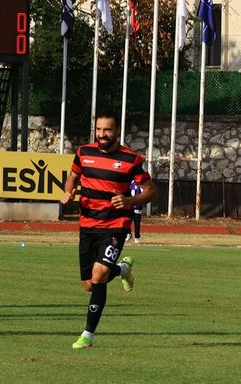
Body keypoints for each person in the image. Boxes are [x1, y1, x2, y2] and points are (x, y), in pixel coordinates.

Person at [60, 111, 156, 349]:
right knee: (89, 284)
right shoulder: (84, 152)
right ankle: (122, 268)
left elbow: (151, 191)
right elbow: (72, 177)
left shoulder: (131, 159)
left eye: (108, 130)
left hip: (115, 224)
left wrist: (128, 201)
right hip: (88, 224)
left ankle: (87, 335)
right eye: (99, 129)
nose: (102, 134)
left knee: (99, 274)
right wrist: (67, 192)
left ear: (117, 131)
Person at [125, 180, 143, 244]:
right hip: (129, 206)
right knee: (127, 221)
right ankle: (128, 234)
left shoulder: (141, 183)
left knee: (137, 222)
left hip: (137, 206)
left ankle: (137, 237)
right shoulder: (130, 182)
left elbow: (143, 195)